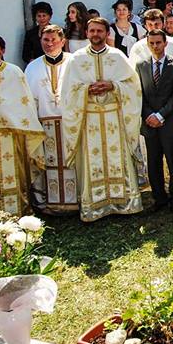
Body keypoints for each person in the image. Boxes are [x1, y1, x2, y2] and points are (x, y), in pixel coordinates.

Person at [60, 18, 144, 222]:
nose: (95, 34)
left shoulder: (117, 56)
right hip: (89, 119)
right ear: (87, 33)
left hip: (115, 117)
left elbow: (134, 87)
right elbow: (68, 92)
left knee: (119, 156)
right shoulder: (76, 59)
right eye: (92, 30)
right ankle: (96, 205)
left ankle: (124, 202)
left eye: (99, 31)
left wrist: (113, 86)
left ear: (107, 33)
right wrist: (86, 89)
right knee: (92, 159)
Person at [0, 34, 45, 221]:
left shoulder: (14, 72)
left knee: (15, 177)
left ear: (3, 50)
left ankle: (17, 214)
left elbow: (25, 105)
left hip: (12, 135)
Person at [24, 24, 79, 213]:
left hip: (70, 124)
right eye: (45, 40)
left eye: (54, 40)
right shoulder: (32, 67)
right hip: (43, 125)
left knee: (72, 161)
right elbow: (28, 100)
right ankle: (47, 203)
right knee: (47, 163)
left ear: (63, 41)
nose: (49, 44)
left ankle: (77, 200)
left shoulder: (74, 62)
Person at [136, 29, 173, 212]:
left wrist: (161, 115)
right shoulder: (141, 65)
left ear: (165, 43)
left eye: (158, 42)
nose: (155, 46)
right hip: (149, 122)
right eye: (152, 43)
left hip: (169, 121)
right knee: (154, 162)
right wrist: (149, 115)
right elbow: (139, 94)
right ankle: (159, 198)